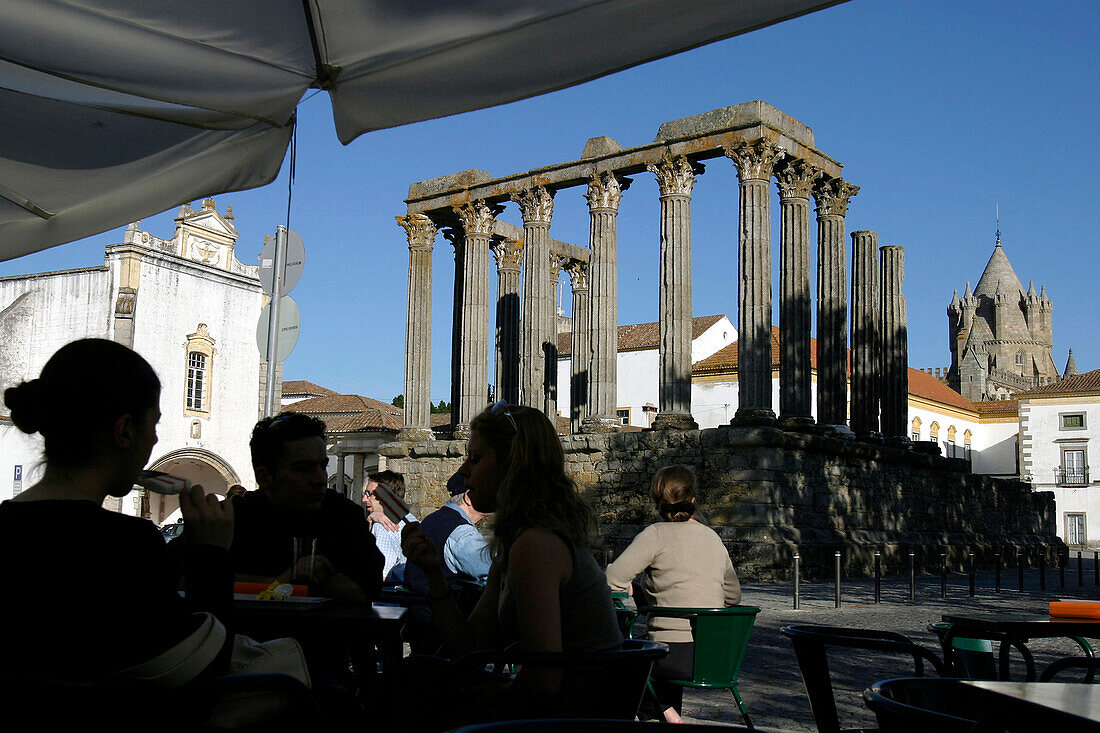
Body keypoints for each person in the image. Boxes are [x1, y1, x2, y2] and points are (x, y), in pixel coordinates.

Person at [0, 338, 234, 683]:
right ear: (124, 430)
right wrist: (211, 556)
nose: (154, 440)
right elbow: (200, 672)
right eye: (152, 425)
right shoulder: (129, 545)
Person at [401, 401, 622, 726]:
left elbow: (543, 682)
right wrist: (434, 573)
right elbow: (469, 646)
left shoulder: (535, 544)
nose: (463, 471)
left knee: (412, 685)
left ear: (512, 465)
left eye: (475, 458)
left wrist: (470, 697)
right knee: (417, 672)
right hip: (571, 710)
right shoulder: (522, 540)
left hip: (573, 721)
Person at [187, 412, 384, 604]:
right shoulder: (231, 519)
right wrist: (284, 583)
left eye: (322, 466)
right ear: (264, 477)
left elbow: (368, 588)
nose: (320, 479)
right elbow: (182, 580)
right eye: (303, 468)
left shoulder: (344, 516)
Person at [605, 465, 742, 723]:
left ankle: (667, 713)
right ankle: (668, 712)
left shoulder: (655, 535)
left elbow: (612, 580)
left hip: (668, 656)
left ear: (658, 501)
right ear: (692, 499)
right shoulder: (713, 538)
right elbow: (733, 597)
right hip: (713, 656)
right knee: (654, 657)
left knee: (625, 656)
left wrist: (637, 589)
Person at [362, 469, 408, 582]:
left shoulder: (382, 527)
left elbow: (380, 576)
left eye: (370, 495)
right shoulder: (409, 519)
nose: (364, 499)